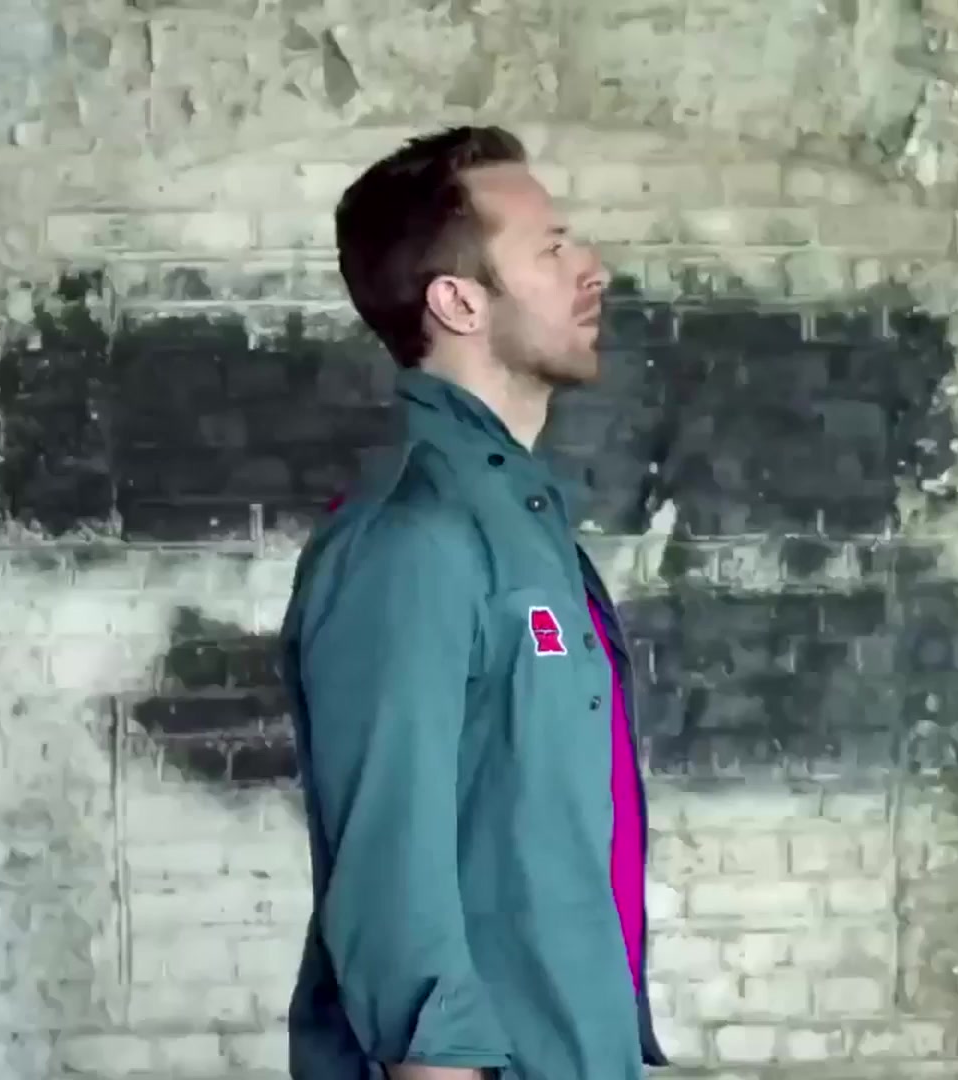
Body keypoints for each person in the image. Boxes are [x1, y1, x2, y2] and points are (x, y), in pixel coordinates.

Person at [277, 125, 667, 1080]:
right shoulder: (411, 537)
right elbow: (388, 868)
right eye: (551, 248)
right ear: (458, 301)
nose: (592, 268)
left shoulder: (525, 525)